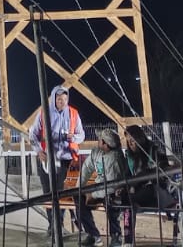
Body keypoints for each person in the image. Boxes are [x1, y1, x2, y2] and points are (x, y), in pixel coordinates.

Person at [29, 85, 85, 240]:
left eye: (65, 98)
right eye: (59, 99)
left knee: (62, 195)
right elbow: (32, 134)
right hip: (48, 160)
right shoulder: (43, 113)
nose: (62, 101)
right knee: (48, 195)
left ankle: (57, 227)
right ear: (54, 99)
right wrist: (38, 150)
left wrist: (73, 138)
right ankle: (52, 226)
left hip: (67, 160)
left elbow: (82, 135)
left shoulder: (73, 113)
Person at [122, 124, 179, 244]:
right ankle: (128, 240)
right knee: (125, 199)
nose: (131, 144)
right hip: (140, 194)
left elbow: (163, 172)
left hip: (158, 192)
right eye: (128, 142)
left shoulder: (154, 150)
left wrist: (137, 182)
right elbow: (127, 176)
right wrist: (126, 186)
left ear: (140, 138)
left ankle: (127, 239)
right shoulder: (129, 156)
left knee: (129, 200)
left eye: (133, 140)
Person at [76, 127, 127, 246]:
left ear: (105, 143)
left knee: (111, 200)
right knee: (78, 198)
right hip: (99, 188)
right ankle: (93, 235)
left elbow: (112, 186)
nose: (98, 140)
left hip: (114, 190)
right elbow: (87, 168)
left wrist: (92, 195)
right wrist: (79, 188)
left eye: (100, 139)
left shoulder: (116, 159)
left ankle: (116, 236)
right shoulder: (97, 152)